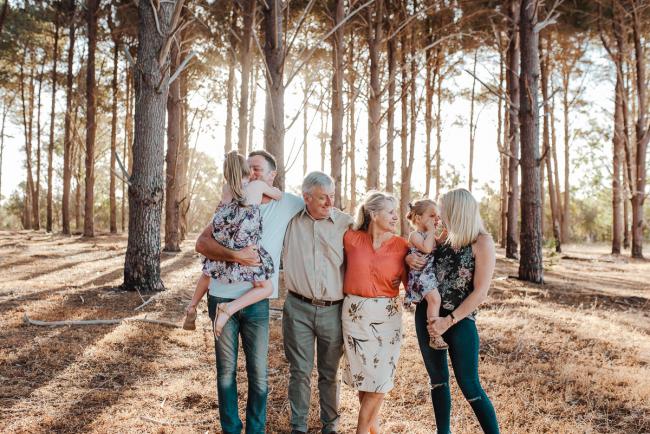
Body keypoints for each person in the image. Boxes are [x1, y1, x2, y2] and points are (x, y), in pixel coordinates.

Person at [195, 150, 304, 434]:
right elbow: (202, 244)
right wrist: (236, 255)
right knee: (226, 374)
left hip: (256, 303)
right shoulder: (234, 197)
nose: (252, 174)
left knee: (259, 376)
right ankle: (231, 429)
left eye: (257, 169)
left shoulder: (288, 203)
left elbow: (317, 207)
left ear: (271, 175)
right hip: (221, 295)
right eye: (249, 168)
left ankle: (256, 430)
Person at [415, 188, 500, 434]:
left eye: (442, 209)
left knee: (470, 384)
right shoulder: (440, 238)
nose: (439, 215)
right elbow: (416, 253)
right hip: (427, 317)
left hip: (459, 320)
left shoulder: (481, 241)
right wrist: (411, 259)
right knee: (438, 380)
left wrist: (448, 321)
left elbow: (480, 292)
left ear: (456, 210)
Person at [281, 171, 353, 434]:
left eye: (332, 196)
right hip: (297, 307)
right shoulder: (289, 221)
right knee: (299, 371)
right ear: (306, 197)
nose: (329, 203)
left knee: (329, 373)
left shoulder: (346, 223)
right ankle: (298, 427)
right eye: (323, 198)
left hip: (333, 311)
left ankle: (330, 426)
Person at [183, 151, 282, 336]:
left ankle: (192, 306)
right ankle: (228, 309)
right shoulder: (257, 187)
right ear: (248, 172)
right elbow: (277, 195)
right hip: (244, 247)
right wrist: (267, 190)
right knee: (266, 287)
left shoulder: (226, 189)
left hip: (224, 243)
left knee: (208, 272)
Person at [341, 191, 409, 434]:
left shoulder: (402, 246)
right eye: (390, 211)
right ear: (373, 213)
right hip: (355, 314)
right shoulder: (350, 239)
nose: (395, 216)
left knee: (380, 381)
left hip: (387, 316)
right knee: (365, 378)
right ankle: (373, 431)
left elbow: (411, 285)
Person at [404, 199, 447, 350]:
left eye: (437, 216)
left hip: (429, 274)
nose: (436, 219)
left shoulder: (430, 235)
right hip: (420, 275)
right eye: (432, 215)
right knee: (435, 300)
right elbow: (428, 249)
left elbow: (438, 244)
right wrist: (431, 232)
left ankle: (435, 334)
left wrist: (445, 232)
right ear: (418, 218)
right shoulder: (415, 235)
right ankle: (434, 336)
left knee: (435, 301)